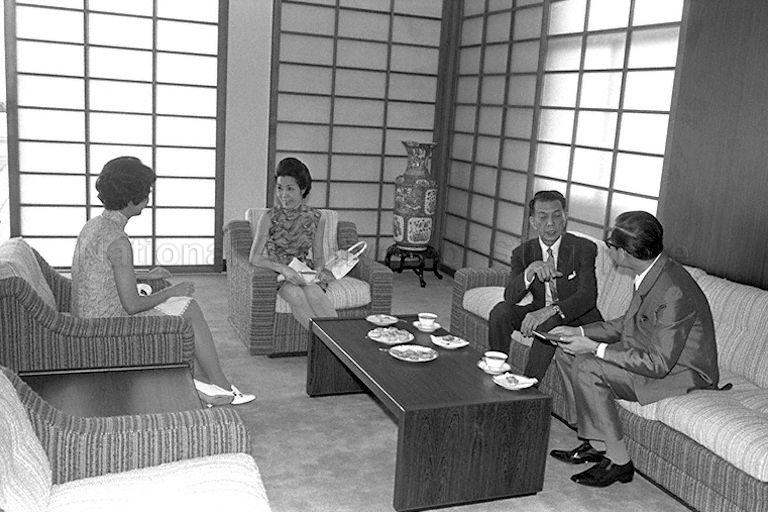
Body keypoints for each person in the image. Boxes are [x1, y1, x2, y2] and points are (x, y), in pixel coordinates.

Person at [549, 211, 720, 487]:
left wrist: (595, 348)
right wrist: (579, 332)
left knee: (588, 365)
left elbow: (658, 364)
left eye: (611, 246)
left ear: (625, 253)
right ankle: (597, 443)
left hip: (682, 372)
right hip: (654, 354)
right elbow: (628, 323)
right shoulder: (652, 272)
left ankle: (619, 462)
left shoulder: (672, 290)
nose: (608, 251)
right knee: (567, 352)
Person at [71, 156, 254, 406]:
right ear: (132, 200)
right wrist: (173, 291)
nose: (148, 199)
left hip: (87, 318)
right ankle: (222, 386)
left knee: (178, 305)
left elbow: (102, 272)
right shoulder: (118, 240)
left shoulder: (94, 226)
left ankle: (208, 384)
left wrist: (146, 275)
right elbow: (132, 306)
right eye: (146, 194)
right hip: (108, 326)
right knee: (189, 307)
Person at [487, 190, 602, 382]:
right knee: (501, 311)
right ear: (533, 222)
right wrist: (530, 271)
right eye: (543, 217)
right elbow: (510, 297)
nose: (550, 223)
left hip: (576, 317)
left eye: (556, 216)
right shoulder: (523, 252)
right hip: (540, 310)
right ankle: (498, 372)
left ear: (565, 218)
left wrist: (551, 310)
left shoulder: (583, 248)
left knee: (548, 322)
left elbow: (587, 296)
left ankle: (528, 386)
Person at [249, 157, 337, 328]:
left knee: (315, 294)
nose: (283, 195)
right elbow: (254, 258)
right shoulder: (268, 217)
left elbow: (318, 255)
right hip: (278, 274)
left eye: (290, 189)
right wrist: (284, 269)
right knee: (296, 295)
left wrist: (319, 270)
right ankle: (323, 340)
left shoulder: (316, 218)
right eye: (279, 188)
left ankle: (337, 338)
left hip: (303, 272)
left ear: (303, 189)